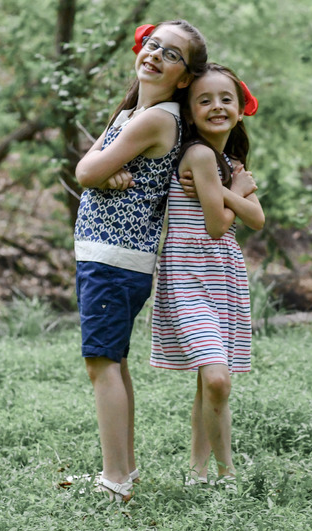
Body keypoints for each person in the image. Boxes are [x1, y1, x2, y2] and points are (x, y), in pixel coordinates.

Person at [73, 20, 207, 502]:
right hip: (109, 258)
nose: (154, 54)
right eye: (153, 45)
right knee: (113, 361)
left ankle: (114, 482)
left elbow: (86, 169)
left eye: (170, 54)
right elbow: (91, 168)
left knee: (101, 364)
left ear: (184, 77)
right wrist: (101, 173)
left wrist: (98, 173)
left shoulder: (156, 120)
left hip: (114, 260)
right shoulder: (136, 112)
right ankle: (124, 471)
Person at [150, 63, 264, 488]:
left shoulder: (230, 163)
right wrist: (239, 192)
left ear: (239, 109)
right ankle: (226, 473)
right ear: (190, 111)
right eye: (205, 100)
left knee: (209, 381)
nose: (217, 106)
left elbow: (258, 220)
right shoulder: (198, 155)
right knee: (216, 378)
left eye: (226, 99)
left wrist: (231, 190)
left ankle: (199, 474)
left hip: (223, 276)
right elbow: (217, 225)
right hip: (190, 275)